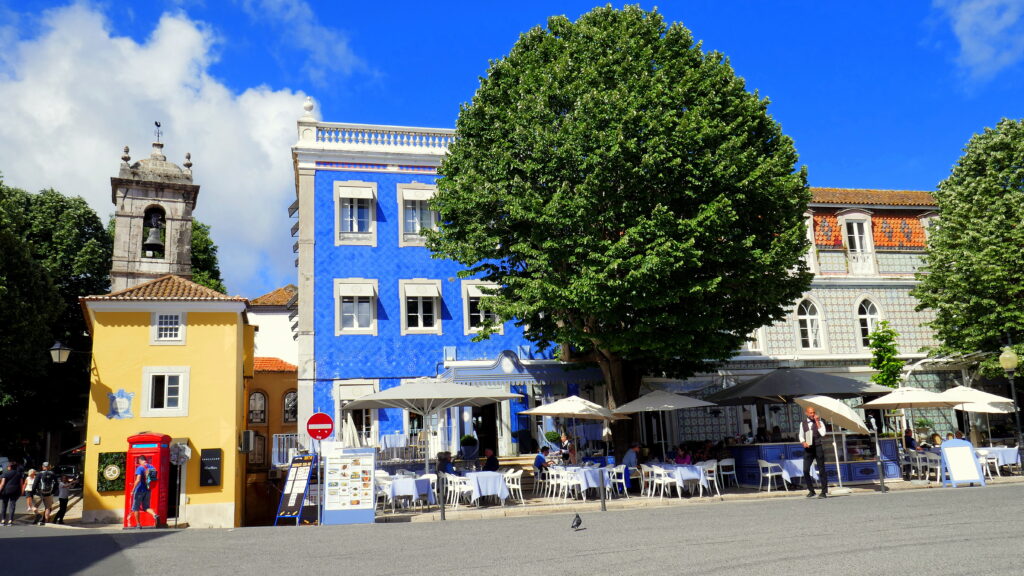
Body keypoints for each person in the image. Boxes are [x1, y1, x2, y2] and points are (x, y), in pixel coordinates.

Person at [798, 407, 828, 499]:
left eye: (813, 413)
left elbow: (823, 434)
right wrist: (803, 442)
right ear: (806, 413)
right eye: (810, 413)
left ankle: (823, 492)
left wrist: (817, 421)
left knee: (821, 469)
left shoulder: (820, 422)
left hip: (818, 447)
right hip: (808, 449)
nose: (812, 414)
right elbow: (800, 435)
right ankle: (811, 491)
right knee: (805, 470)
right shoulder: (802, 423)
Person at [130, 455, 159, 529]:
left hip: (139, 490)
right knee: (146, 507)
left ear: (140, 460)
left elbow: (138, 479)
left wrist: (133, 489)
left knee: (135, 508)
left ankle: (138, 524)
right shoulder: (151, 467)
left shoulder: (140, 467)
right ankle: (155, 515)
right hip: (148, 490)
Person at [0, 462, 25, 526]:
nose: (7, 467)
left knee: (4, 505)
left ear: (10, 467)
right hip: (15, 491)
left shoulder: (5, 473)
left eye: (8, 466)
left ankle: (3, 520)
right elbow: (21, 483)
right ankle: (10, 520)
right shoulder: (19, 474)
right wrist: (22, 491)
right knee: (12, 505)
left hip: (6, 491)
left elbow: (2, 484)